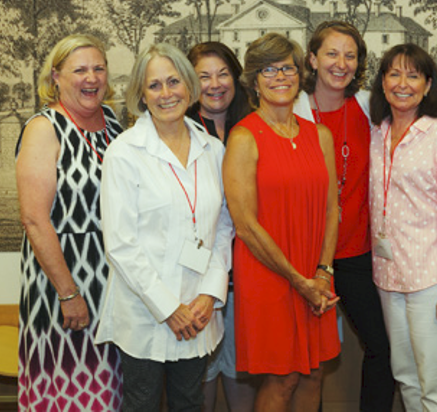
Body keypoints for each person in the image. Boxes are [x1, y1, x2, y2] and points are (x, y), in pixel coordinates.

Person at [96, 43, 233, 411]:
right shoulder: (124, 153)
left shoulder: (214, 151)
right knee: (141, 402)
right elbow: (120, 244)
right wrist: (169, 308)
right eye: (153, 85)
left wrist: (209, 293)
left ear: (189, 86)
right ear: (141, 94)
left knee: (190, 401)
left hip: (198, 307)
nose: (166, 93)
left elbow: (223, 227)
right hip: (145, 311)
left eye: (173, 81)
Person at [223, 33, 340, 412]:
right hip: (270, 275)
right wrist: (297, 279)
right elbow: (246, 226)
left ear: (300, 73)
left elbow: (330, 210)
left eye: (287, 67)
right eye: (267, 69)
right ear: (254, 80)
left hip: (314, 273)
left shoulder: (318, 136)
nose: (280, 77)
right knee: (283, 377)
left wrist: (322, 271)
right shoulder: (243, 138)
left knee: (314, 372)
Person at [369, 43, 437, 411]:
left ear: (428, 84)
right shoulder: (378, 133)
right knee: (406, 377)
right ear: (382, 82)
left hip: (435, 279)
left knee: (435, 383)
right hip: (390, 275)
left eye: (413, 75)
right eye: (394, 74)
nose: (403, 83)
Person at [15, 34, 123, 410]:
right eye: (79, 70)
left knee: (109, 390)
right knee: (68, 391)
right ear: (56, 76)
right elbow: (33, 219)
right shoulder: (44, 128)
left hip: (111, 282)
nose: (91, 77)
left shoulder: (112, 123)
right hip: (62, 281)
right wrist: (69, 293)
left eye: (98, 68)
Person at [292, 20, 396, 411]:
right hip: (308, 255)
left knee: (382, 349)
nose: (341, 63)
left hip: (355, 251)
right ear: (313, 59)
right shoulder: (293, 112)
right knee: (308, 363)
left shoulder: (372, 108)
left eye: (350, 55)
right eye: (331, 53)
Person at [185, 41, 258, 411]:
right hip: (199, 278)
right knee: (203, 370)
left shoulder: (254, 128)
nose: (215, 84)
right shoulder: (179, 134)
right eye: (203, 76)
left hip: (250, 271)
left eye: (223, 73)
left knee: (239, 365)